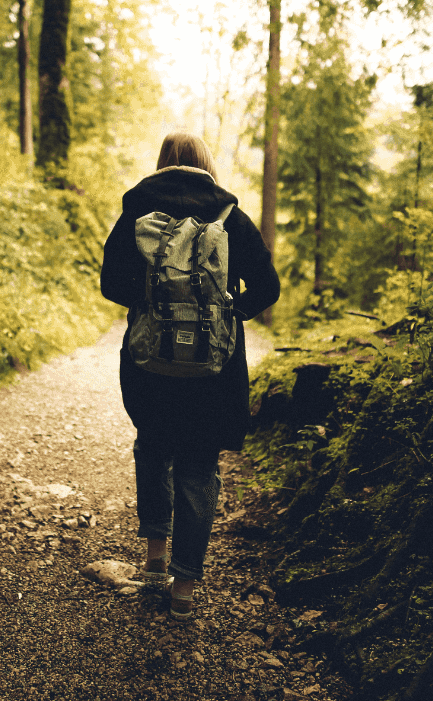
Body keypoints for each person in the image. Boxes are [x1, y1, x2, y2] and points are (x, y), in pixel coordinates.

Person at [100, 132, 280, 619]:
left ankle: (154, 562)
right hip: (212, 372)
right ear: (206, 166)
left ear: (161, 165)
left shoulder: (136, 216)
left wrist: (150, 304)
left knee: (152, 447)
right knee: (199, 467)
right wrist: (228, 313)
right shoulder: (229, 217)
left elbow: (109, 283)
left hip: (149, 365)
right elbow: (268, 287)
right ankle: (183, 590)